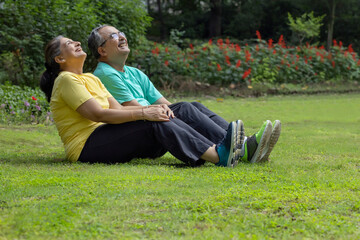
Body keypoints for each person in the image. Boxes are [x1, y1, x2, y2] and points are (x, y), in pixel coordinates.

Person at [39, 35, 274, 168]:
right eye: (69, 44)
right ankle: (218, 155)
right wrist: (144, 113)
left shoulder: (89, 78)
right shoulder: (66, 80)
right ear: (59, 58)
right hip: (86, 146)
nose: (76, 43)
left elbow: (118, 109)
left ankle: (233, 147)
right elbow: (97, 115)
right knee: (153, 120)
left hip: (109, 134)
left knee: (176, 109)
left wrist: (151, 110)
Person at [88, 25, 282, 163]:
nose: (121, 37)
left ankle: (242, 144)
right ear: (102, 50)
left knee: (191, 106)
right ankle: (241, 148)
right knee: (184, 108)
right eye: (113, 36)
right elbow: (130, 109)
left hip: (156, 123)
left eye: (121, 32)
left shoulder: (134, 72)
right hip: (140, 129)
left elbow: (165, 103)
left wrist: (185, 120)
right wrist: (178, 114)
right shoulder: (105, 73)